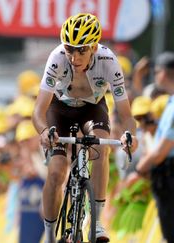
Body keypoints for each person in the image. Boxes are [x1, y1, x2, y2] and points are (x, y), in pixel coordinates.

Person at [32, 13, 138, 243]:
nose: (74, 57)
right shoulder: (57, 58)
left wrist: (131, 134)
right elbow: (39, 111)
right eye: (70, 49)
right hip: (58, 109)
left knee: (102, 149)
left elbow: (126, 114)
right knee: (57, 170)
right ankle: (50, 235)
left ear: (94, 47)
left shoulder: (109, 61)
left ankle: (97, 222)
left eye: (81, 50)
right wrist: (43, 132)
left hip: (92, 109)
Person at [128, 52, 174, 242]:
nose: (155, 75)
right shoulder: (170, 102)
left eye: (156, 72)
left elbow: (160, 151)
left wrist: (138, 171)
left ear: (163, 73)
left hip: (170, 174)